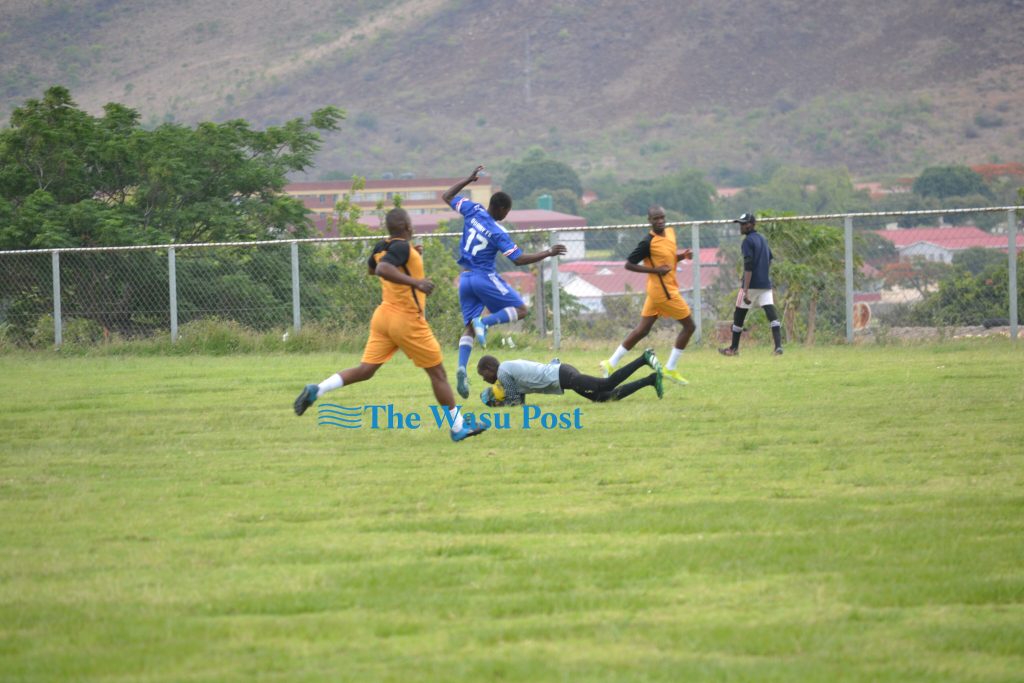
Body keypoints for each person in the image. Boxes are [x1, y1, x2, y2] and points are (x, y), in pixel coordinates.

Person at [293, 208, 487, 442]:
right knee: (438, 374)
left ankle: (318, 389)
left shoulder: (383, 246)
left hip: (383, 317)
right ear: (407, 226)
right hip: (406, 320)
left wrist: (410, 258)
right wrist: (416, 282)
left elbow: (373, 268)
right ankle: (458, 428)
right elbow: (383, 269)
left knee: (365, 370)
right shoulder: (402, 248)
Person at [441, 165, 567, 400]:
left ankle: (461, 368)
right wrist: (548, 252)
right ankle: (485, 322)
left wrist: (468, 179)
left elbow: (447, 196)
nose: (506, 215)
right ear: (500, 208)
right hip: (483, 277)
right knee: (521, 310)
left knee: (469, 328)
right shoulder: (498, 231)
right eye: (506, 211)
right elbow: (518, 259)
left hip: (464, 278)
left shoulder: (473, 209)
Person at [599, 205, 696, 385]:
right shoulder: (647, 242)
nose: (660, 221)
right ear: (649, 221)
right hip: (663, 292)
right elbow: (629, 264)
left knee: (642, 330)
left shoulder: (670, 233)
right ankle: (670, 368)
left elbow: (667, 259)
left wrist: (682, 256)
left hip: (658, 291)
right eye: (656, 218)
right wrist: (656, 270)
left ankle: (610, 363)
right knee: (690, 326)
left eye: (662, 217)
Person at [476, 349, 663, 407]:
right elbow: (520, 401)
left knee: (607, 384)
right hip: (563, 373)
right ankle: (650, 380)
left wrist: (496, 403)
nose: (484, 379)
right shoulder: (507, 370)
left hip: (563, 375)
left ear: (489, 368)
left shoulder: (503, 372)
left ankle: (643, 358)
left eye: (483, 375)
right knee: (604, 397)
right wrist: (500, 402)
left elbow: (514, 402)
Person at [719, 212, 783, 356]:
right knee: (771, 313)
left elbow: (748, 265)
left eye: (744, 223)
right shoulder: (762, 239)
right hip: (765, 283)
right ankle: (778, 347)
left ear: (752, 224)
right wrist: (763, 273)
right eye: (741, 224)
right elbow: (769, 259)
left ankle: (733, 348)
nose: (741, 226)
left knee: (739, 315)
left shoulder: (747, 241)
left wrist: (746, 290)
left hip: (751, 284)